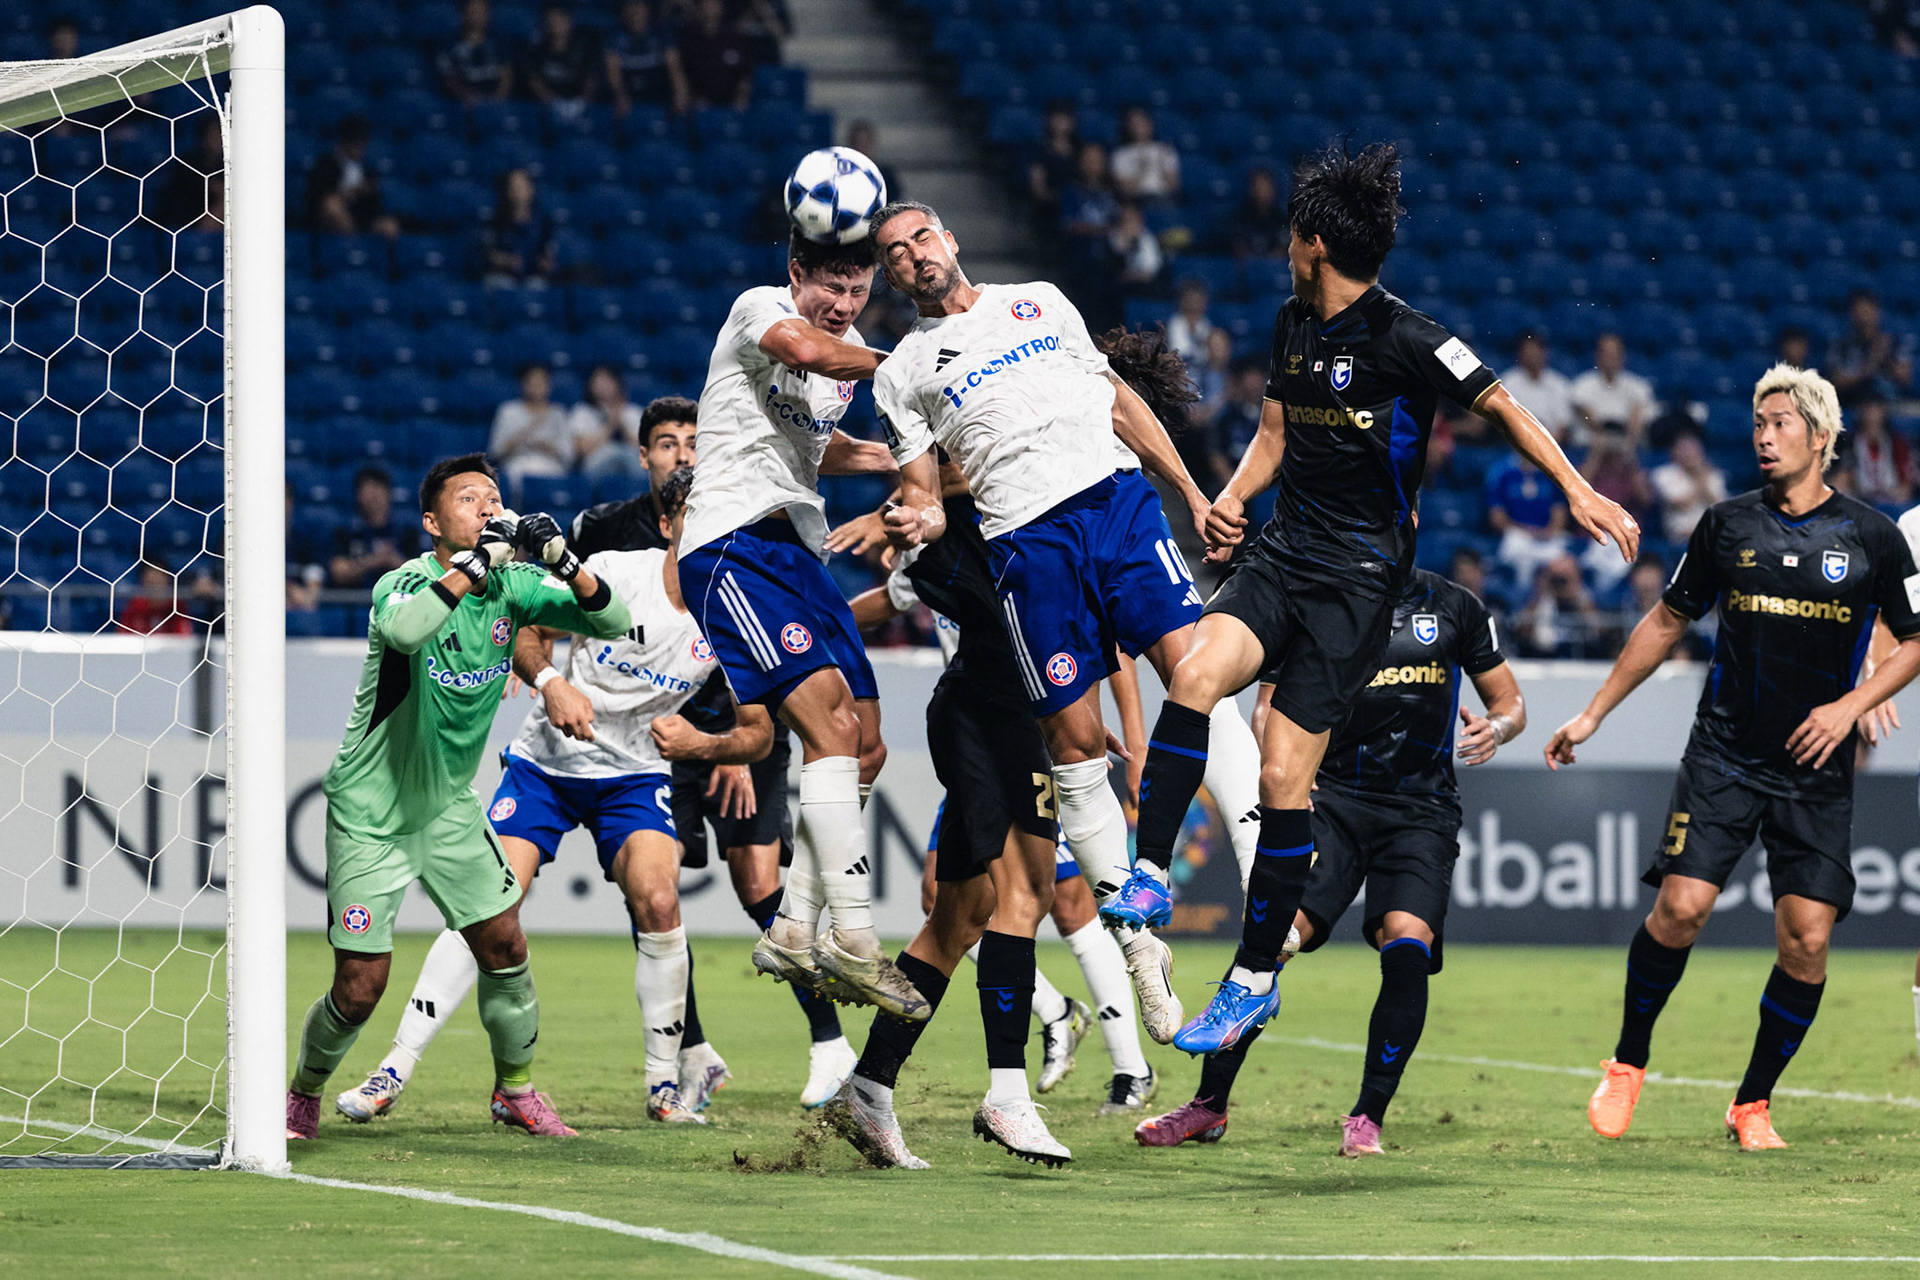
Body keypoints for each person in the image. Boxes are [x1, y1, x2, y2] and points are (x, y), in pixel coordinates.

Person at [1117, 142, 1637, 1056]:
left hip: (1359, 583)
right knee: (1195, 672)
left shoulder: (1410, 336)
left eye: (1291, 236)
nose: (1286, 249)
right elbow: (1276, 430)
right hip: (1284, 555)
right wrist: (1235, 496)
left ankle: (1249, 980)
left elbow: (1506, 404)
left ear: (1313, 242)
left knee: (1285, 782)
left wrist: (1576, 488)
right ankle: (1151, 872)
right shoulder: (1292, 324)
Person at [869, 200, 1264, 1046]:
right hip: (1024, 542)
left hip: (1117, 503)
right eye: (892, 254)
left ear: (951, 237)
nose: (911, 257)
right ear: (889, 276)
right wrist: (921, 522)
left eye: (920, 238)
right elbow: (922, 493)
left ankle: (1263, 865)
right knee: (1074, 743)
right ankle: (1139, 942)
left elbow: (1119, 402)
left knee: (1197, 671)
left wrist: (1193, 493)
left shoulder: (1041, 300)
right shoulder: (900, 371)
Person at [1547, 365, 1920, 1150]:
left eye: (1781, 422)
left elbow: (1913, 642)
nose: (1763, 434)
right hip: (1725, 754)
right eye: (1758, 422)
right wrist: (1592, 714)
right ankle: (1628, 1061)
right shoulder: (1725, 525)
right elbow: (1664, 621)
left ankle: (1752, 1103)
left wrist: (1853, 706)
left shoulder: (1873, 538)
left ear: (1821, 437)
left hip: (1817, 770)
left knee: (1808, 938)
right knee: (1681, 909)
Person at [333, 467, 770, 1127]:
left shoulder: (742, 614)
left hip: (635, 772)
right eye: (696, 515)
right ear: (669, 524)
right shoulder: (624, 570)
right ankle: (395, 1067)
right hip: (548, 761)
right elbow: (531, 624)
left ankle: (663, 1087)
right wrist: (547, 683)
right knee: (491, 905)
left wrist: (709, 747)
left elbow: (760, 732)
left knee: (658, 900)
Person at [284, 455, 634, 1141]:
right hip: (370, 812)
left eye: (493, 498)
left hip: (447, 809)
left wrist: (563, 558)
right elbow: (407, 631)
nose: (485, 506)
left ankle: (515, 1091)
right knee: (360, 987)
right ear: (432, 521)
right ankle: (303, 1093)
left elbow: (613, 619)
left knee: (504, 944)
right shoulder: (404, 582)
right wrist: (473, 567)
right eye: (469, 498)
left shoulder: (515, 586)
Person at [1137, 568, 1523, 1153]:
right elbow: (1266, 707)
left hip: (1421, 812)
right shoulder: (1317, 594)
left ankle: (1367, 1117)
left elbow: (1510, 701)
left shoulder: (1454, 606)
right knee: (1274, 939)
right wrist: (1288, 777)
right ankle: (1208, 1107)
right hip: (1333, 801)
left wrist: (1496, 727)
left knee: (1407, 946)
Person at [572, 397, 855, 1109]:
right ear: (644, 457)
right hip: (651, 735)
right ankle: (692, 1050)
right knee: (652, 895)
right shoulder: (607, 529)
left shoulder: (742, 515)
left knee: (760, 885)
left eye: (694, 442)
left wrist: (733, 742)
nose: (682, 455)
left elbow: (763, 624)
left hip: (739, 724)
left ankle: (830, 1043)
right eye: (667, 444)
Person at [675, 227, 918, 1017]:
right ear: (797, 275)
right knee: (825, 727)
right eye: (831, 289)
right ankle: (853, 936)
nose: (844, 306)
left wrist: (880, 458)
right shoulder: (760, 312)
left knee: (866, 740)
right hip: (731, 543)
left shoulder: (841, 369)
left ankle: (791, 924)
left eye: (858, 293)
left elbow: (816, 442)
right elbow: (808, 352)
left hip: (795, 546)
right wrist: (907, 365)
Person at [304, 114, 398, 239]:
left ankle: (369, 254)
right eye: (356, 142)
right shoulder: (325, 164)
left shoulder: (367, 170)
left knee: (389, 225)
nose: (360, 147)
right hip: (327, 220)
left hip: (360, 217)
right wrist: (351, 193)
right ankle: (352, 248)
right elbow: (318, 197)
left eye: (363, 142)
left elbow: (374, 204)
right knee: (332, 206)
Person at [329, 467, 420, 589]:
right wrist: (372, 561)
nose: (374, 496)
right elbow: (338, 572)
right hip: (355, 603)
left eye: (378, 488)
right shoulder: (345, 533)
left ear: (389, 493)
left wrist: (391, 560)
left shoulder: (407, 533)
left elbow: (420, 575)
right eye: (368, 490)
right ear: (358, 496)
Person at [1485, 452, 1571, 579]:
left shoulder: (1553, 472)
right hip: (1517, 536)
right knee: (1513, 546)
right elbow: (1497, 518)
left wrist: (1546, 533)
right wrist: (1527, 532)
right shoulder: (1501, 471)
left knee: (1563, 559)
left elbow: (1559, 515)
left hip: (1546, 538)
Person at [489, 362, 572, 486]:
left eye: (540, 383)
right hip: (517, 463)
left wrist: (548, 447)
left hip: (550, 464)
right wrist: (518, 440)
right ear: (523, 385)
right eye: (531, 382)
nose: (536, 387)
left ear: (548, 386)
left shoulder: (558, 413)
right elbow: (495, 451)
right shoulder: (508, 411)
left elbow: (569, 455)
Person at [1570, 332, 1654, 449]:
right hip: (1591, 444)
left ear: (1622, 356)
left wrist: (1625, 440)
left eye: (1614, 353)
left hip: (1626, 444)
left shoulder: (1637, 386)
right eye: (1606, 353)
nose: (1610, 357)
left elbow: (1636, 419)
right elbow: (1588, 417)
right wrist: (1605, 434)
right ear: (1597, 356)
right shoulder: (1582, 384)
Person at [604, 0, 688, 117]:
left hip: (658, 97)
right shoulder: (615, 35)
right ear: (625, 11)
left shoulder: (661, 33)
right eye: (631, 7)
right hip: (629, 100)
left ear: (647, 9)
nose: (635, 12)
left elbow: (674, 67)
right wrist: (620, 94)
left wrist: (680, 93)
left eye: (639, 7)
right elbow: (613, 71)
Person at [1830, 289, 1915, 404]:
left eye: (1867, 310)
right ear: (1851, 314)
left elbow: (1905, 378)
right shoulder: (1842, 345)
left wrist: (1886, 358)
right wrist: (1870, 364)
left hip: (1892, 403)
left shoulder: (1893, 342)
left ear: (1877, 311)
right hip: (1855, 403)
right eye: (1858, 310)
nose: (1863, 317)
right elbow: (1836, 382)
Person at [522, 3, 598, 122]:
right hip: (547, 107)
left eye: (560, 19)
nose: (556, 24)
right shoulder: (537, 49)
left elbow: (591, 78)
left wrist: (583, 102)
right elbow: (534, 79)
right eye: (552, 19)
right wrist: (551, 102)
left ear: (570, 21)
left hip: (579, 105)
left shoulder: (584, 48)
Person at [1650, 426, 1727, 542]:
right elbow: (1681, 505)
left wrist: (1701, 474)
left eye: (1693, 448)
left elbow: (1718, 506)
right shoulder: (1663, 474)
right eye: (1684, 449)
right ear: (1674, 451)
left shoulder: (1713, 473)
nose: (1689, 453)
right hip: (1680, 537)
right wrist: (1700, 478)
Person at [483, 168, 557, 288]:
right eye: (514, 186)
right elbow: (488, 253)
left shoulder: (543, 222)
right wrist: (507, 260)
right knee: (500, 284)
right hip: (504, 274)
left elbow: (548, 251)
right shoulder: (497, 220)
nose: (518, 191)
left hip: (533, 274)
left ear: (531, 189)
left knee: (537, 286)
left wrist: (545, 261)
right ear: (508, 191)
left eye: (522, 186)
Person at [1837, 393, 1914, 506]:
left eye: (1875, 409)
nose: (1871, 415)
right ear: (1860, 412)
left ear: (1883, 411)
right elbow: (1843, 477)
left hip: (1893, 499)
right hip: (1860, 498)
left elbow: (1907, 482)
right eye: (1867, 409)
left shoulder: (1897, 442)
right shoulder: (1849, 442)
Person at [571, 365, 645, 480]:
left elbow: (643, 448)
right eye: (598, 381)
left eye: (607, 381)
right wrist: (610, 426)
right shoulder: (582, 412)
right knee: (613, 451)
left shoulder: (632, 411)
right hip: (595, 464)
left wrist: (622, 426)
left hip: (630, 462)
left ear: (617, 383)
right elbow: (583, 450)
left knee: (630, 456)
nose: (603, 386)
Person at [679, 0, 755, 110]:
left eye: (714, 4)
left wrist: (741, 98)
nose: (711, 8)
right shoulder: (690, 39)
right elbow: (684, 73)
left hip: (732, 104)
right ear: (700, 7)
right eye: (707, 4)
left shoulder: (735, 38)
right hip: (700, 106)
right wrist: (694, 98)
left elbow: (745, 73)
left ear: (721, 7)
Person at [1500, 332, 1574, 444]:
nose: (1532, 355)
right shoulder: (1508, 382)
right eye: (1528, 351)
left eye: (1536, 350)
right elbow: (1505, 420)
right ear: (1520, 354)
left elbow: (1563, 424)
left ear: (1545, 353)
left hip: (1551, 445)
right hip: (1515, 444)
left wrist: (1547, 447)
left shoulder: (1559, 384)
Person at [438, 0, 514, 105]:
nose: (478, 16)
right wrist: (466, 96)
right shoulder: (450, 45)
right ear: (464, 14)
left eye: (482, 11)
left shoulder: (499, 42)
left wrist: (499, 98)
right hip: (462, 104)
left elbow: (506, 74)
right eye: (473, 11)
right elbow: (450, 79)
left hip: (495, 103)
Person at [1110, 106, 1180, 206]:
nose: (1138, 127)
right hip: (1136, 202)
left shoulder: (1165, 149)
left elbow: (1174, 186)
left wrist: (1162, 163)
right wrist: (1142, 169)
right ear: (1127, 127)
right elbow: (1125, 190)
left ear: (1150, 124)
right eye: (1134, 124)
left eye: (1141, 122)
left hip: (1164, 199)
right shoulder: (1121, 154)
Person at [1229, 167, 1287, 260]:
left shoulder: (1282, 219)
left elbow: (1284, 247)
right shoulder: (1239, 218)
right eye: (1258, 186)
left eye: (1266, 187)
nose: (1262, 192)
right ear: (1251, 189)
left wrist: (1269, 263)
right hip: (1247, 268)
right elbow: (1238, 246)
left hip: (1274, 268)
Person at [1165, 278, 1214, 368]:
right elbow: (1177, 351)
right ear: (1182, 301)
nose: (1194, 303)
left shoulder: (1206, 323)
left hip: (1204, 369)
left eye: (1198, 300)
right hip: (1178, 368)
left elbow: (1208, 354)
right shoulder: (1174, 323)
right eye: (1191, 299)